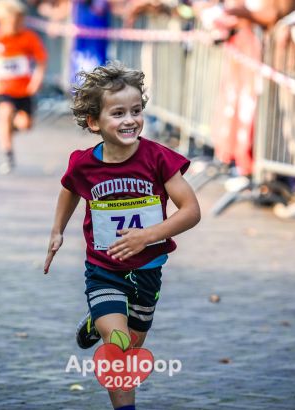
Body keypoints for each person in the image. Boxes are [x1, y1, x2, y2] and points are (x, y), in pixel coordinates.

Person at [43, 62, 201, 409]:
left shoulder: (158, 159)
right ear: (94, 122)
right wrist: (57, 230)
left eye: (136, 111)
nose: (130, 120)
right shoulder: (84, 164)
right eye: (118, 113)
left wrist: (148, 236)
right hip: (104, 269)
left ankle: (93, 323)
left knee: (133, 346)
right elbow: (69, 188)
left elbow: (191, 210)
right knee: (118, 346)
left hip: (148, 269)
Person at [0, 0, 47, 174]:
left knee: (25, 125)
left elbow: (41, 61)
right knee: (4, 115)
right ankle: (8, 156)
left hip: (24, 90)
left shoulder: (29, 37)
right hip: (3, 90)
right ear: (1, 20)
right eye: (14, 22)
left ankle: (10, 127)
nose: (19, 25)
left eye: (21, 21)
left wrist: (36, 80)